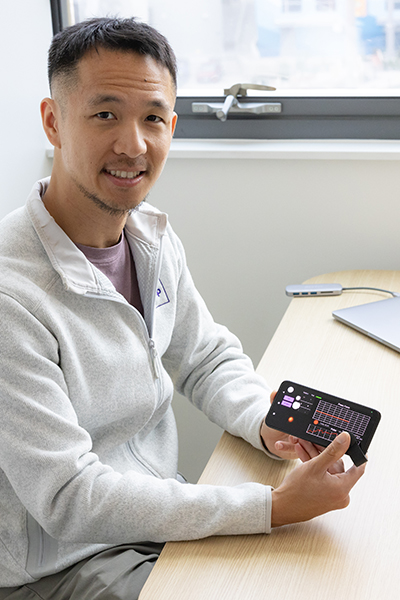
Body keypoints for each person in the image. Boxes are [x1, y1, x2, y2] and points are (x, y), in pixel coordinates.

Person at [0, 17, 365, 599]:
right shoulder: (11, 299)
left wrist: (266, 425)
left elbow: (202, 356)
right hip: (66, 563)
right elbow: (70, 498)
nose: (132, 145)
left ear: (171, 126)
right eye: (104, 114)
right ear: (53, 122)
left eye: (151, 118)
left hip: (152, 516)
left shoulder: (150, 235)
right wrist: (269, 507)